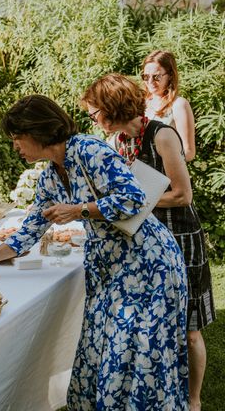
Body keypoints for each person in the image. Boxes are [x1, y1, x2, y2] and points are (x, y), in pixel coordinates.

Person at [0, 95, 189, 410]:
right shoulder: (50, 175)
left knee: (136, 359)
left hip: (148, 266)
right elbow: (29, 231)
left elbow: (134, 199)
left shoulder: (90, 150)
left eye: (17, 139)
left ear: (37, 132)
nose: (16, 147)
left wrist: (80, 210)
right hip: (110, 271)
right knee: (97, 356)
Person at [82, 73, 215, 411]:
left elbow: (183, 195)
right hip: (145, 245)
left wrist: (132, 202)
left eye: (95, 112)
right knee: (156, 327)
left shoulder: (162, 134)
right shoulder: (119, 144)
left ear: (112, 108)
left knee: (189, 329)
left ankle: (194, 400)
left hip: (180, 237)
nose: (93, 119)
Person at [142, 50, 196, 161]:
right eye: (146, 76)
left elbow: (189, 152)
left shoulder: (179, 105)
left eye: (156, 77)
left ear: (170, 75)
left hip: (166, 174)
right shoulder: (141, 103)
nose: (150, 81)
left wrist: (161, 161)